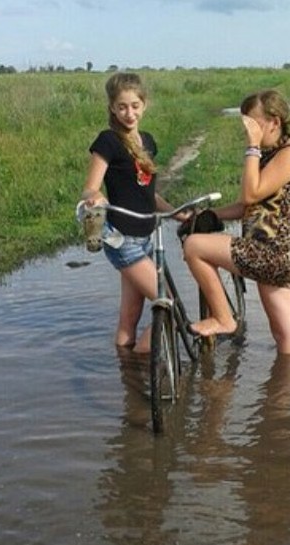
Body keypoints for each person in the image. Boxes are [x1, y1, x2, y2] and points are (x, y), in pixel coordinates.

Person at [182, 89, 290, 354]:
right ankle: (284, 392)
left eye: (253, 124)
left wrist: (252, 147)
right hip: (280, 253)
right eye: (245, 125)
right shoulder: (270, 156)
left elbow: (250, 192)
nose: (247, 131)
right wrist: (212, 214)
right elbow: (247, 205)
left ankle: (223, 319)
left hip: (273, 253)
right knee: (285, 335)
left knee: (194, 246)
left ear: (275, 122)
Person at [81, 72, 173, 353]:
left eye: (134, 105)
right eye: (122, 107)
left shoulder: (147, 141)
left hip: (146, 237)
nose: (129, 113)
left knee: (128, 319)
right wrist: (95, 198)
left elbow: (147, 194)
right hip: (123, 240)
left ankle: (127, 379)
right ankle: (146, 369)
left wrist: (176, 213)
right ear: (112, 107)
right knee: (167, 305)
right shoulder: (108, 141)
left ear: (144, 104)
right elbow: (89, 189)